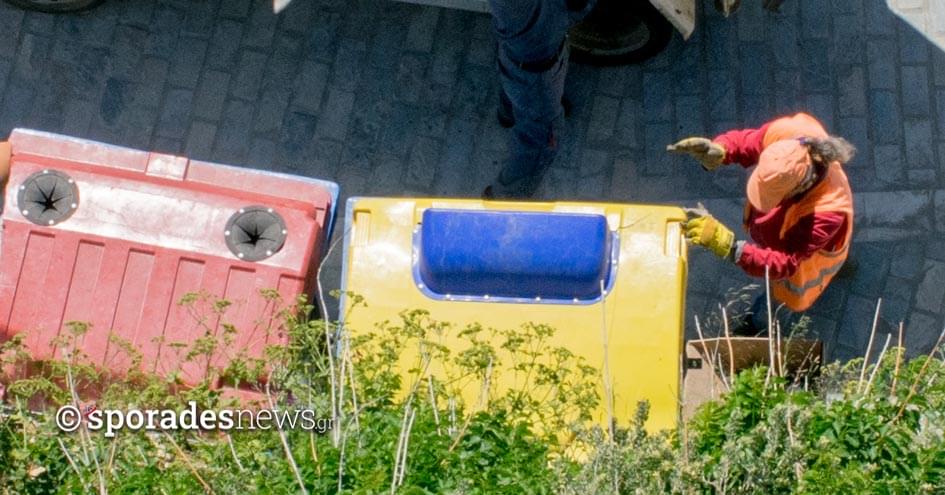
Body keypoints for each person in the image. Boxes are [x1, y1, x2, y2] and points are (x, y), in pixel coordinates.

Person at [669, 113, 855, 332]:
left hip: (802, 268)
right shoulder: (791, 133)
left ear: (798, 188)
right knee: (832, 258)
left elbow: (786, 264)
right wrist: (722, 149)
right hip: (810, 241)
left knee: (778, 303)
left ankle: (760, 325)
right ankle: (845, 267)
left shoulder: (825, 214)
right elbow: (753, 141)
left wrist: (731, 248)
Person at [482, 0, 597, 199]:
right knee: (541, 140)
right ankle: (507, 197)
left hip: (521, 53)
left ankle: (508, 114)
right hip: (537, 73)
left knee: (514, 81)